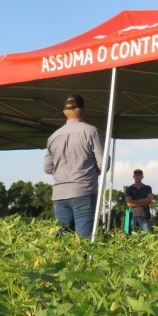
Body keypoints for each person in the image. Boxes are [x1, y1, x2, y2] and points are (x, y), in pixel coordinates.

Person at [44, 94, 104, 238]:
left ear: (64, 112)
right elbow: (103, 163)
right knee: (84, 240)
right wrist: (90, 172)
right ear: (84, 110)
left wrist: (63, 175)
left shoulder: (53, 137)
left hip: (59, 193)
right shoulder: (92, 132)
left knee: (62, 238)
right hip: (83, 190)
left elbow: (47, 167)